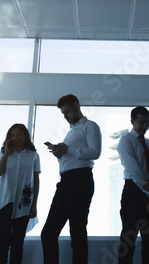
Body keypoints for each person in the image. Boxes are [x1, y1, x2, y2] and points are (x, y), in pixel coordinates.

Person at [41, 94, 102, 264]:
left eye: (67, 111)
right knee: (48, 233)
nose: (66, 116)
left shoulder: (90, 126)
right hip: (65, 181)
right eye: (63, 113)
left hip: (80, 180)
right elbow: (72, 155)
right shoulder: (71, 132)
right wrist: (60, 154)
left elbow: (95, 153)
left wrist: (67, 150)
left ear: (77, 105)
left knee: (77, 232)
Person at [0, 124, 41, 264]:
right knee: (2, 243)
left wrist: (34, 205)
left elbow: (36, 181)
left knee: (18, 244)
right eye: (12, 135)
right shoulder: (4, 153)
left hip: (23, 204)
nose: (16, 137)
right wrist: (6, 152)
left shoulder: (34, 156)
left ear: (25, 136)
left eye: (19, 134)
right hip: (3, 202)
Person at [117, 106, 149, 264]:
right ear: (132, 121)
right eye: (140, 122)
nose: (145, 126)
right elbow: (133, 168)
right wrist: (148, 187)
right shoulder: (125, 140)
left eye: (147, 122)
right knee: (128, 240)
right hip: (134, 192)